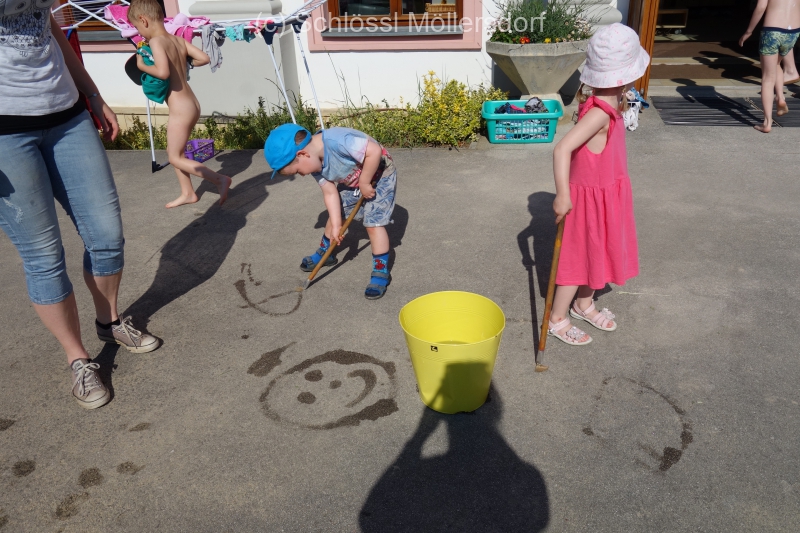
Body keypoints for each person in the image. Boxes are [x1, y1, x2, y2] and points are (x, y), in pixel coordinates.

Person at [0, 8, 159, 409]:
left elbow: (48, 25)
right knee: (43, 256)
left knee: (106, 235)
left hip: (67, 116)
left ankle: (109, 322)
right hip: (4, 134)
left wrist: (92, 92)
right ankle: (78, 358)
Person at [547, 23, 648, 346]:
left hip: (607, 192)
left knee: (600, 249)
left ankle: (584, 303)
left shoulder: (610, 102)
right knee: (578, 257)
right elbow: (562, 149)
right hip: (587, 198)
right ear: (626, 74)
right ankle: (557, 318)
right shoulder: (600, 112)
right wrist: (563, 195)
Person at [264, 124, 397, 299]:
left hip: (379, 173)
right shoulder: (313, 161)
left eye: (298, 171)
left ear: (302, 154)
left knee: (373, 223)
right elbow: (330, 192)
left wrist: (364, 182)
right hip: (352, 179)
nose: (302, 175)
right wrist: (336, 226)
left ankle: (380, 271)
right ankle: (326, 253)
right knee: (336, 214)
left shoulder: (339, 142)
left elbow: (373, 151)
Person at [127, 0, 232, 207]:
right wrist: (183, 63)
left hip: (180, 108)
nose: (140, 34)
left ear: (143, 20)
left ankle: (219, 179)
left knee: (174, 157)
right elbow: (204, 58)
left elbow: (163, 72)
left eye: (138, 28)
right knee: (175, 151)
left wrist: (141, 66)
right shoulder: (176, 40)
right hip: (192, 102)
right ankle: (188, 193)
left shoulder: (156, 42)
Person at [739, 0, 800, 132]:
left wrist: (749, 31)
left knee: (767, 78)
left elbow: (761, 7)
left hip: (772, 31)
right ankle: (780, 97)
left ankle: (767, 123)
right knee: (777, 64)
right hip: (793, 32)